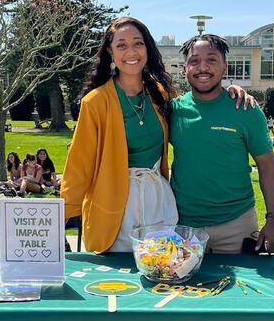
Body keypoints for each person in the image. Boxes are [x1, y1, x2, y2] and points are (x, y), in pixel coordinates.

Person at [60, 17, 254, 253]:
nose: (131, 51)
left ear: (147, 49)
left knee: (163, 268)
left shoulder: (160, 94)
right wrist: (64, 214)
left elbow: (197, 103)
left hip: (158, 201)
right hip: (113, 204)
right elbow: (79, 164)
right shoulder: (96, 102)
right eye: (121, 45)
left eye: (138, 43)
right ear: (110, 52)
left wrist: (230, 91)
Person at [169, 34, 274, 255]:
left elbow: (267, 166)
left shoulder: (245, 109)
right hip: (183, 225)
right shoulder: (172, 110)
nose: (203, 67)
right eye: (194, 61)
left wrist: (272, 220)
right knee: (180, 289)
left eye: (211, 60)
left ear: (225, 67)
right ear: (184, 68)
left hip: (237, 224)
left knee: (243, 289)